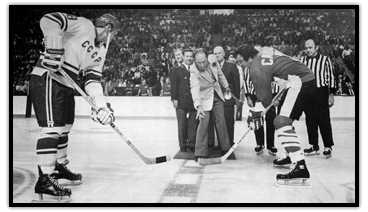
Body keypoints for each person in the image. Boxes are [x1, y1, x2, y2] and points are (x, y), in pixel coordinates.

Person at [29, 12, 120, 202]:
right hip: (48, 77)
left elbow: (92, 80)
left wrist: (101, 106)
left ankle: (58, 166)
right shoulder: (84, 25)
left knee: (65, 127)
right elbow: (49, 19)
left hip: (66, 84)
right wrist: (54, 47)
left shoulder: (101, 51)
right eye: (116, 33)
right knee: (52, 129)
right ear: (109, 28)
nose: (115, 37)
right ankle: (45, 179)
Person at [235, 45, 316, 186]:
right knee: (286, 120)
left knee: (280, 121)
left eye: (241, 61)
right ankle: (291, 155)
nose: (240, 65)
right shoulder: (263, 51)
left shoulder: (256, 69)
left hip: (300, 81)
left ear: (249, 57)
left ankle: (300, 166)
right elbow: (280, 66)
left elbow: (265, 101)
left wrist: (255, 116)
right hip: (300, 78)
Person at [190, 48, 232, 162]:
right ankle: (199, 152)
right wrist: (198, 106)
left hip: (217, 94)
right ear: (195, 61)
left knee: (221, 121)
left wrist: (226, 86)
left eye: (204, 61)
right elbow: (194, 88)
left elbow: (220, 73)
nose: (202, 64)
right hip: (204, 98)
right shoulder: (193, 70)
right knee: (203, 123)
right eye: (199, 63)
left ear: (207, 58)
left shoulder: (213, 59)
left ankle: (225, 149)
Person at [301, 39, 336, 158]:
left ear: (316, 48)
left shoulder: (325, 60)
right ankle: (314, 145)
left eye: (310, 47)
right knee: (310, 120)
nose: (308, 50)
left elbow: (331, 77)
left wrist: (331, 95)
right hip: (307, 92)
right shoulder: (302, 60)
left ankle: (328, 146)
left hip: (321, 92)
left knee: (324, 120)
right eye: (306, 48)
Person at [243, 67, 279, 156]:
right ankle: (260, 144)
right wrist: (248, 97)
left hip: (270, 96)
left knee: (271, 121)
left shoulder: (271, 64)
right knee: (257, 121)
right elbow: (246, 82)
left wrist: (277, 97)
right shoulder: (249, 66)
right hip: (255, 96)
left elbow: (277, 80)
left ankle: (271, 145)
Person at [170, 49, 198, 152]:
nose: (189, 58)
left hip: (193, 102)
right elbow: (173, 86)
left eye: (191, 56)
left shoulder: (196, 69)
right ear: (184, 57)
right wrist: (174, 99)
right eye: (187, 56)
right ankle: (182, 145)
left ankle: (191, 144)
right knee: (181, 125)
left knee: (192, 124)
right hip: (180, 102)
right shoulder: (176, 70)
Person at [213, 46, 240, 151]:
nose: (217, 55)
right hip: (215, 99)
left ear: (224, 54)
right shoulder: (211, 66)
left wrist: (236, 99)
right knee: (218, 122)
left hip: (228, 99)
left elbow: (236, 83)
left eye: (219, 53)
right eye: (215, 53)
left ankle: (230, 143)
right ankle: (220, 143)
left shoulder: (232, 66)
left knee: (229, 122)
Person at [226, 51, 245, 121]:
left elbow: (241, 79)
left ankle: (239, 114)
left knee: (239, 103)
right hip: (228, 90)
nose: (233, 59)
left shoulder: (239, 68)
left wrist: (241, 88)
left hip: (238, 88)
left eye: (234, 57)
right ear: (227, 58)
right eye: (231, 57)